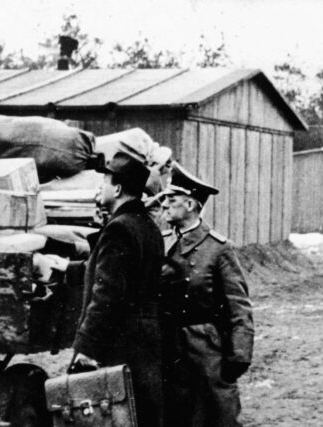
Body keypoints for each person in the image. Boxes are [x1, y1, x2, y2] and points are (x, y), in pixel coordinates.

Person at [34, 152, 166, 427]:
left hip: (117, 345)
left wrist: (86, 348)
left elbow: (107, 295)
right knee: (138, 414)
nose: (100, 187)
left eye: (105, 180)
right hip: (144, 345)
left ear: (117, 188)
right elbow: (117, 275)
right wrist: (67, 268)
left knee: (110, 416)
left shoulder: (119, 229)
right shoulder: (148, 228)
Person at [159, 162, 254, 427]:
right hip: (170, 349)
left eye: (171, 199)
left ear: (190, 205)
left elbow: (239, 306)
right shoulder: (164, 242)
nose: (164, 204)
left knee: (217, 417)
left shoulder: (218, 249)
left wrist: (239, 355)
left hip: (206, 352)